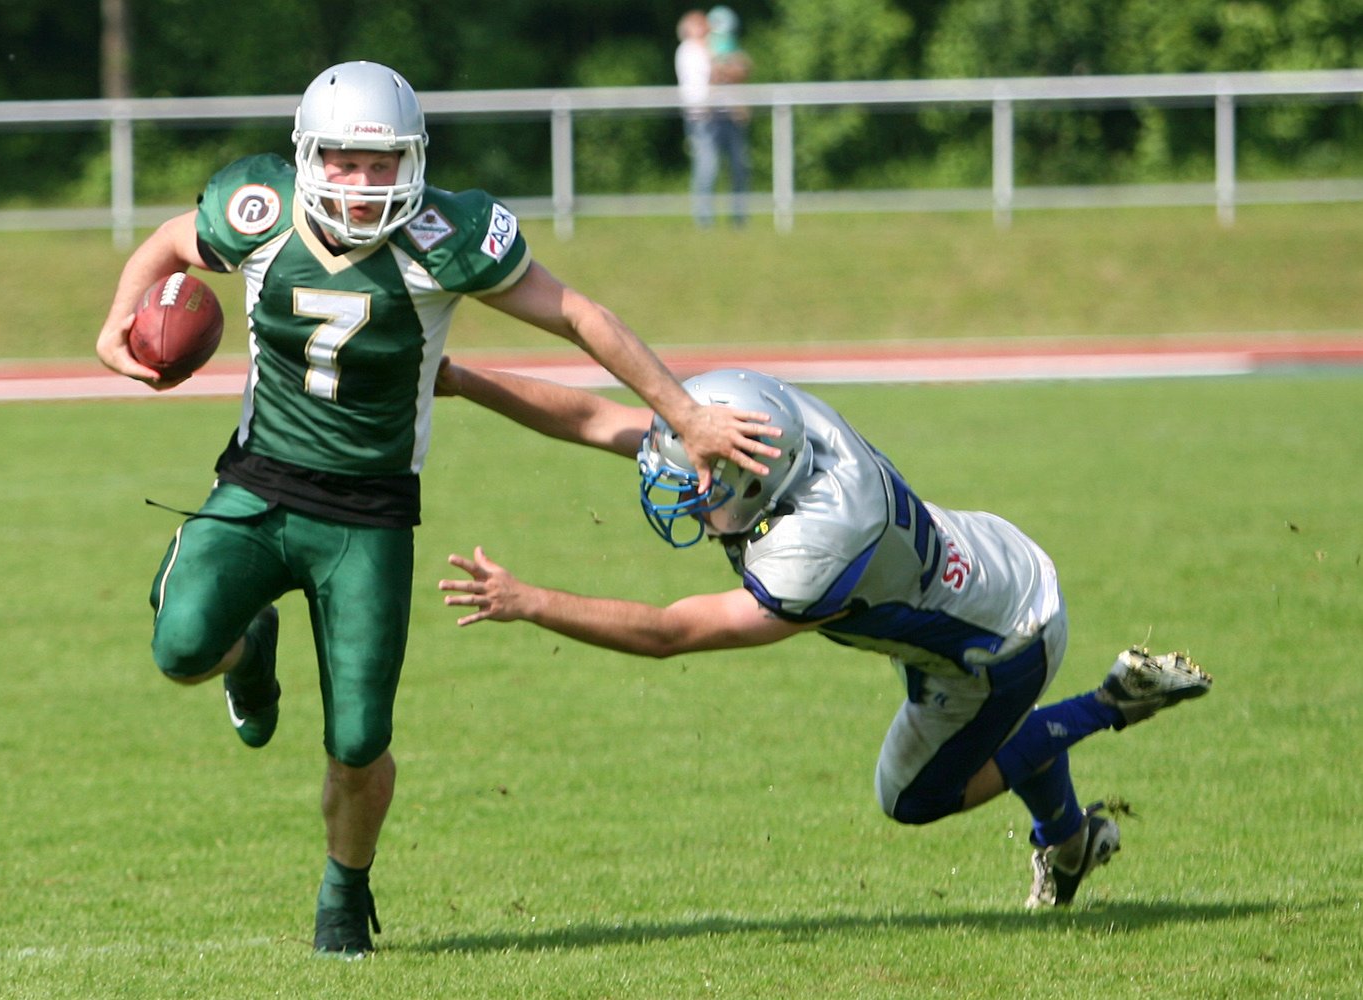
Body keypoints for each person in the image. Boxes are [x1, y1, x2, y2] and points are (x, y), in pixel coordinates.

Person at [94, 61, 775, 958]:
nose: (361, 183)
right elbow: (170, 242)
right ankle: (248, 650)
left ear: (412, 161)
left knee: (358, 740)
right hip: (259, 484)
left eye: (381, 164)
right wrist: (117, 321)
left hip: (369, 518)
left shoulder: (445, 239)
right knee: (181, 646)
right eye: (343, 162)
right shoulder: (258, 208)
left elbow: (580, 315)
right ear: (309, 158)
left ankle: (344, 893)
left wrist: (684, 413)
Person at [436, 363, 1214, 908]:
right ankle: (1071, 845)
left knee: (912, 797)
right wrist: (462, 379)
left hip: (1000, 642)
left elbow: (671, 632)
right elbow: (596, 418)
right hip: (992, 561)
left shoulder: (812, 555)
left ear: (753, 484)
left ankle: (1111, 703)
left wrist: (530, 601)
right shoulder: (775, 432)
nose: (683, 495)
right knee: (995, 735)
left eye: (698, 488)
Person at [705, 5, 752, 226]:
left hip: (733, 116)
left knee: (739, 168)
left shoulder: (732, 45)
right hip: (711, 116)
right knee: (709, 169)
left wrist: (727, 68)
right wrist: (725, 67)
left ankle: (739, 217)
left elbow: (744, 68)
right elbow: (715, 73)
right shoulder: (702, 47)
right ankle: (705, 220)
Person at [674, 9, 719, 227]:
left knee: (705, 163)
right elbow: (708, 76)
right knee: (706, 164)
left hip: (705, 113)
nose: (705, 28)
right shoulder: (690, 49)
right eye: (699, 25)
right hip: (698, 113)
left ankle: (704, 215)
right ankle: (703, 216)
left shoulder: (696, 49)